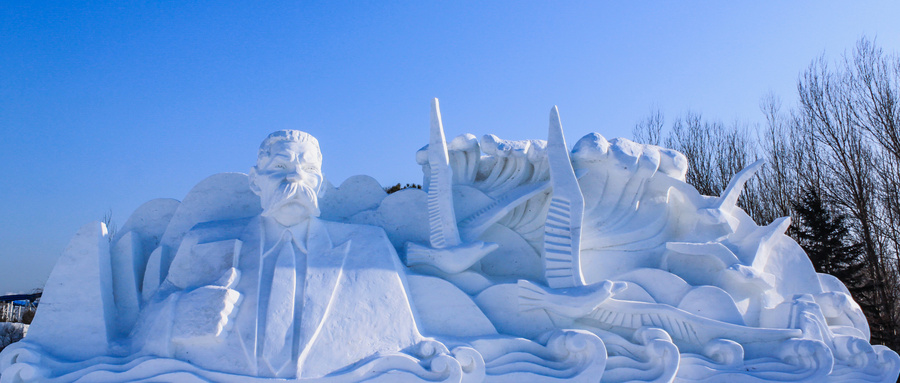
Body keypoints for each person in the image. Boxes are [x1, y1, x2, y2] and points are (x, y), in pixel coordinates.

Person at [133, 130, 423, 379]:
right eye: (280, 165)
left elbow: (406, 349)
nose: (296, 177)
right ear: (255, 181)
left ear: (319, 186)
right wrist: (179, 314)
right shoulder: (205, 241)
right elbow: (138, 333)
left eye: (309, 170)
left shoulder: (368, 249)